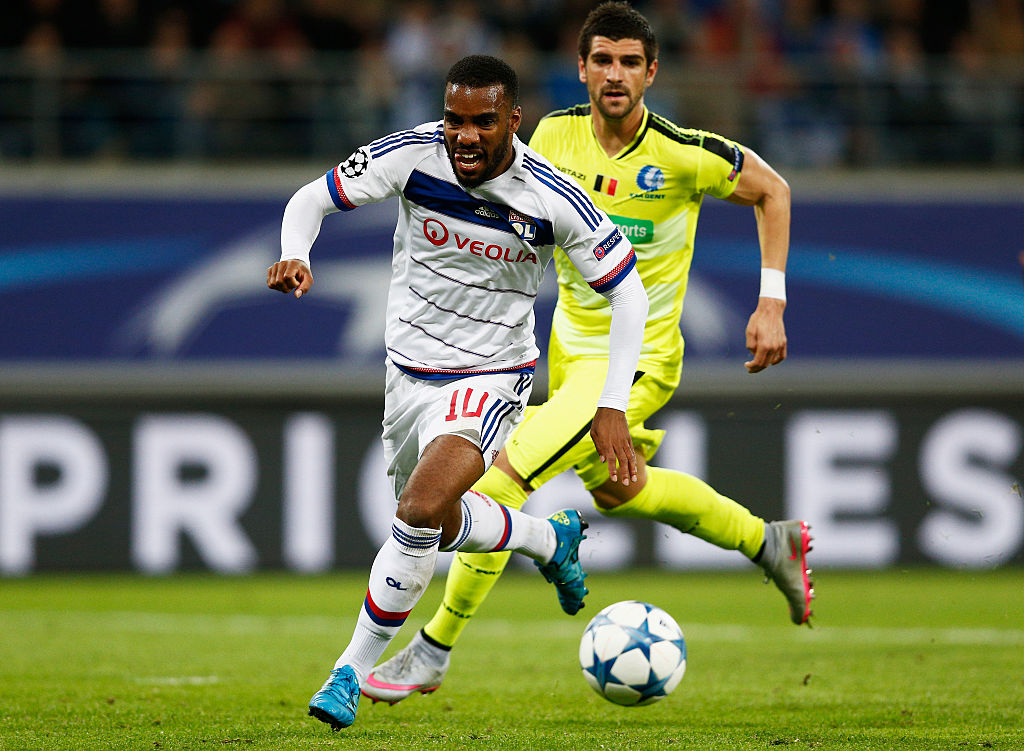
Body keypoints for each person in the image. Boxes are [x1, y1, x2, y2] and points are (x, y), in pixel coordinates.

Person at [364, 1, 813, 706]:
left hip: (636, 361)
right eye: (602, 59)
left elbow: (773, 191)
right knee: (619, 490)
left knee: (495, 485)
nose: (615, 74)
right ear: (581, 68)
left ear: (651, 73)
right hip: (567, 353)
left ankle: (433, 648)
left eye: (630, 62)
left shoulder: (684, 154)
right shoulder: (552, 135)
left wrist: (772, 302)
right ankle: (768, 541)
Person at [266, 53, 649, 730]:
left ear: (513, 120)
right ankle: (547, 539)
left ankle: (347, 671)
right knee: (438, 525)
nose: (465, 136)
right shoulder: (413, 156)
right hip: (407, 374)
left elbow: (630, 295)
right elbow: (310, 199)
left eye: (482, 122)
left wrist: (611, 403)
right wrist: (297, 250)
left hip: (491, 377)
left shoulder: (552, 196)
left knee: (418, 511)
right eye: (454, 120)